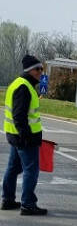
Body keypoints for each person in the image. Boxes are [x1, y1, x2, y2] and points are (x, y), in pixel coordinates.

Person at [2, 55, 47, 215]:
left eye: (41, 69)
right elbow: (19, 115)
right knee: (31, 170)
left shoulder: (19, 84)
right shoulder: (24, 87)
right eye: (38, 69)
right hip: (24, 138)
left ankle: (7, 200)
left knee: (13, 168)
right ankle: (28, 204)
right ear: (30, 70)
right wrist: (27, 136)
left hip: (15, 136)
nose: (41, 72)